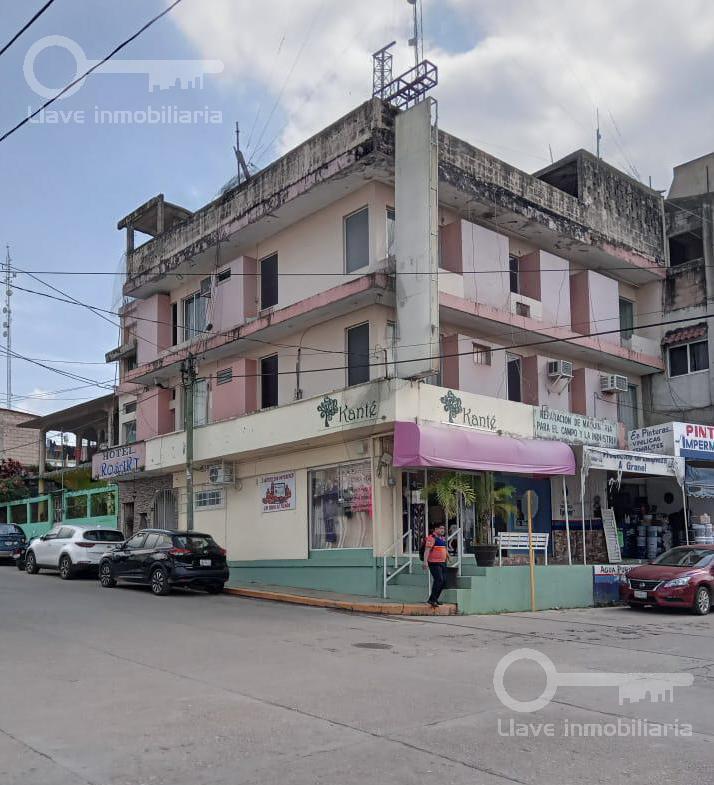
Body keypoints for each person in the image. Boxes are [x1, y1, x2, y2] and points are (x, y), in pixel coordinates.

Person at [423, 524, 449, 608]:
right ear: (435, 529)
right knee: (439, 580)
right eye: (441, 528)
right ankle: (431, 600)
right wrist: (425, 562)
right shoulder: (431, 538)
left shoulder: (442, 538)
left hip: (443, 562)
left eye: (443, 529)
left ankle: (435, 599)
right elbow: (427, 550)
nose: (443, 530)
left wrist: (448, 556)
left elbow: (444, 548)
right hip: (434, 563)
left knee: (444, 581)